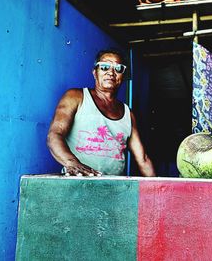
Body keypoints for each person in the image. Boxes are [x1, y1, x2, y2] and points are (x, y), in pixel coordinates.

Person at [47, 49, 156, 177]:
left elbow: (142, 159)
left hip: (114, 189)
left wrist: (160, 191)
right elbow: (55, 135)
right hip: (77, 184)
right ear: (95, 73)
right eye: (104, 67)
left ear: (123, 76)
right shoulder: (75, 97)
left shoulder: (128, 114)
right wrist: (73, 163)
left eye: (118, 68)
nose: (111, 72)